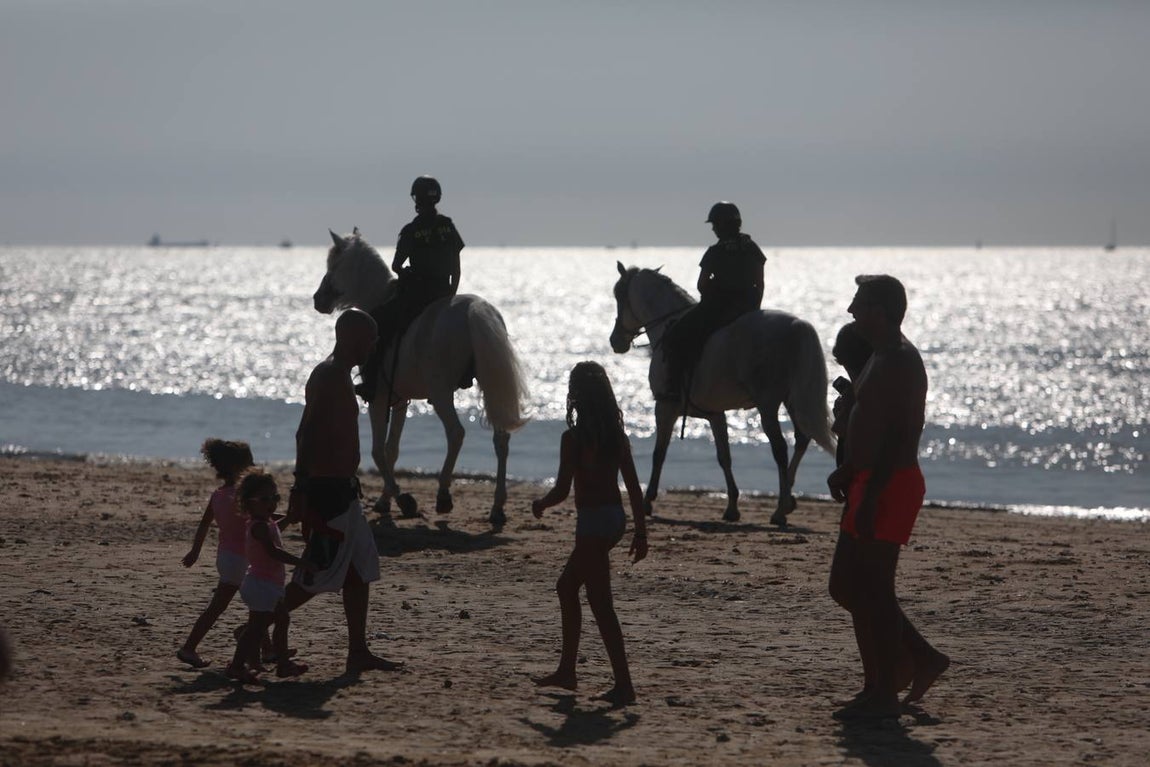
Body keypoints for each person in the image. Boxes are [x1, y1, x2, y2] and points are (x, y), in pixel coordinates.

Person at [826, 275, 950, 720]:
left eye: (858, 301)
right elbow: (870, 421)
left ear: (879, 309)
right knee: (845, 585)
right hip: (866, 478)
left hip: (888, 483)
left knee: (875, 589)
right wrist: (848, 468)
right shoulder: (879, 354)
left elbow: (899, 438)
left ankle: (884, 689)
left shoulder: (898, 359)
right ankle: (902, 667)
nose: (851, 309)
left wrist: (873, 488)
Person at [278, 307, 402, 674]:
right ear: (351, 338)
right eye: (370, 339)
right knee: (317, 572)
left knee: (360, 570)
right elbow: (306, 432)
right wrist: (299, 488)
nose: (374, 346)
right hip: (327, 492)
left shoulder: (343, 376)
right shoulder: (329, 375)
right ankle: (256, 626)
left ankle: (358, 651)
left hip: (346, 491)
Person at [530, 361, 649, 706]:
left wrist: (541, 503)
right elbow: (634, 489)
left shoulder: (574, 438)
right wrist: (640, 533)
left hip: (593, 525)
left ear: (576, 396)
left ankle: (623, 685)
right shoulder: (616, 436)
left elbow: (562, 490)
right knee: (567, 587)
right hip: (614, 520)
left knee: (601, 604)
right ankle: (567, 671)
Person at [357, 175, 465, 402]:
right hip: (444, 292)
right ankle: (465, 373)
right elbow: (456, 266)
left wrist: (407, 274)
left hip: (417, 296)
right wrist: (451, 295)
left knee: (378, 321)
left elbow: (396, 265)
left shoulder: (411, 230)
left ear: (416, 198)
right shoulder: (448, 226)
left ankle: (371, 382)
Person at [662, 201, 765, 400]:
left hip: (718, 308)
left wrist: (712, 293)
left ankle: (673, 388)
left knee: (676, 335)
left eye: (716, 225)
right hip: (749, 308)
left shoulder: (715, 252)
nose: (714, 229)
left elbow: (701, 285)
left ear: (723, 225)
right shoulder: (752, 248)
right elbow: (760, 283)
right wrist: (755, 308)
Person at [225, 469, 315, 683]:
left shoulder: (266, 522)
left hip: (268, 584)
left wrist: (289, 518)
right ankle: (237, 665)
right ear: (248, 502)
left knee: (281, 619)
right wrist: (301, 562)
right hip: (260, 585)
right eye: (264, 499)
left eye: (274, 498)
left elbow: (276, 528)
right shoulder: (258, 526)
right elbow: (273, 551)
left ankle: (283, 663)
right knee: (256, 628)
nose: (271, 503)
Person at [177, 438, 259, 669]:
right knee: (244, 605)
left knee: (257, 604)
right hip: (240, 559)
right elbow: (261, 522)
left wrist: (195, 551)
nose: (255, 465)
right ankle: (189, 647)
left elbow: (204, 525)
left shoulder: (218, 494)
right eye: (250, 462)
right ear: (237, 467)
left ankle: (264, 650)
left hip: (226, 557)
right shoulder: (242, 495)